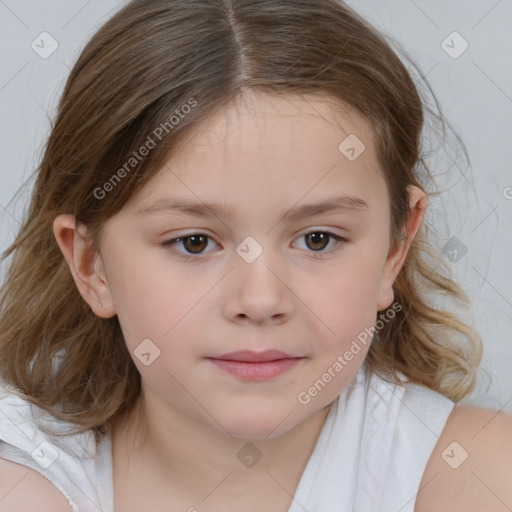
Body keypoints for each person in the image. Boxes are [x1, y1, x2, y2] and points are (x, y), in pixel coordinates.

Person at [0, 0, 511, 511]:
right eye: (193, 242)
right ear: (91, 265)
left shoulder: (471, 471)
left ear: (394, 249)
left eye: (318, 239)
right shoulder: (23, 479)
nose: (261, 299)